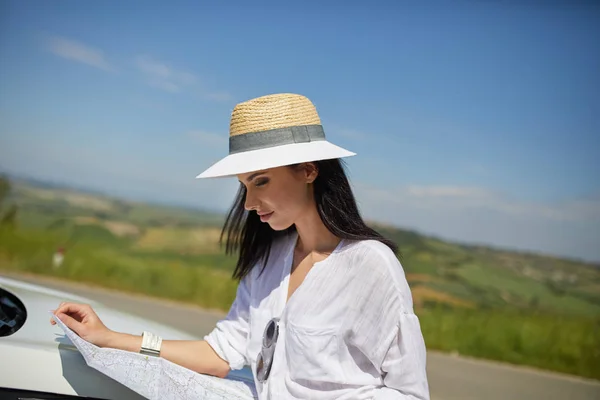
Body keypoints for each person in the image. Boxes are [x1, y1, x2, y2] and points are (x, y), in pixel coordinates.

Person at [51, 93, 430, 399]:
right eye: (244, 186)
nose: (248, 203)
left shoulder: (369, 265)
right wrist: (110, 338)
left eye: (260, 181)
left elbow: (407, 392)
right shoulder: (268, 261)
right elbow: (220, 355)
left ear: (309, 170)